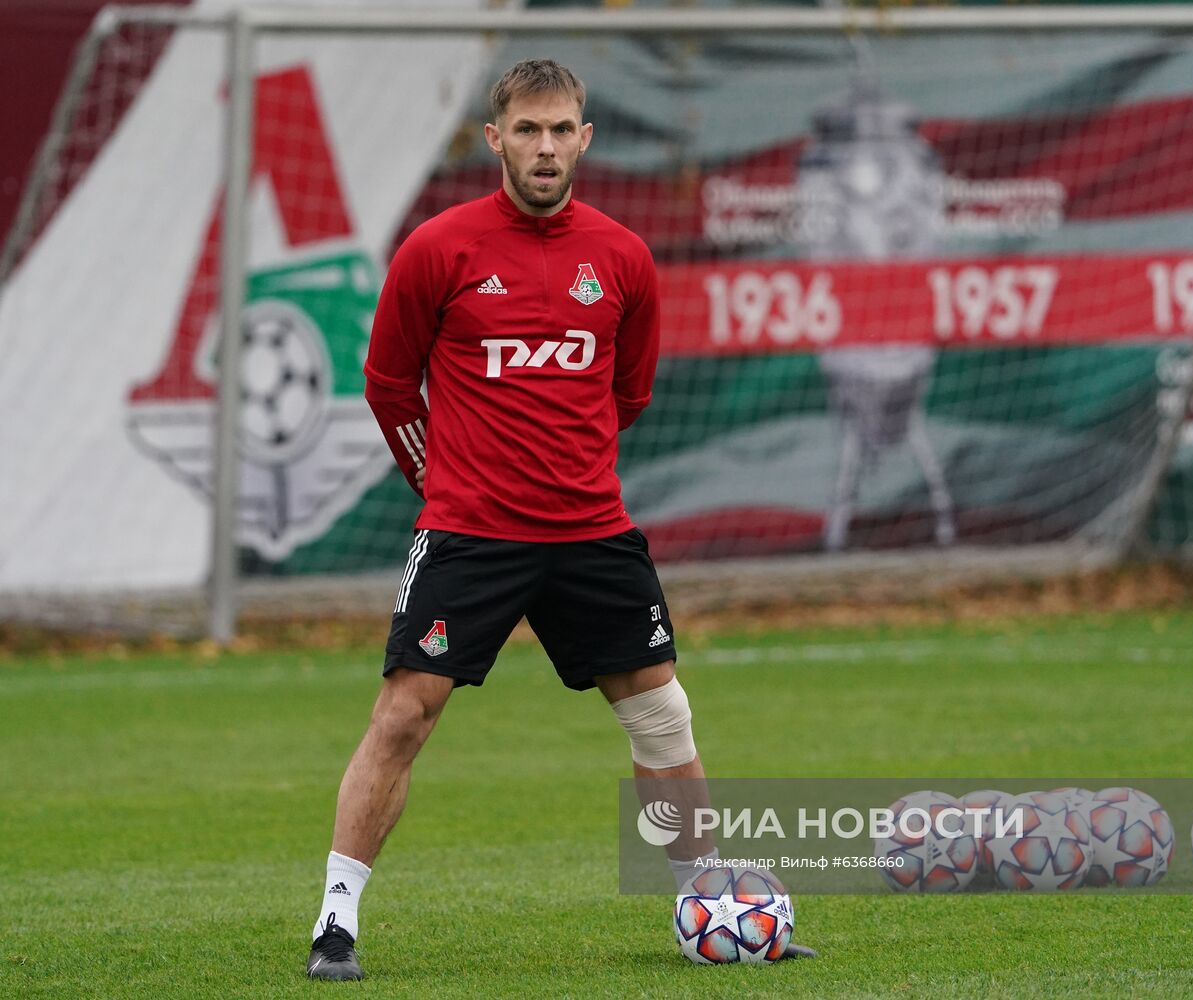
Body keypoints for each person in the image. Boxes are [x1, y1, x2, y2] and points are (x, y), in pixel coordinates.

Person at [303, 59, 813, 981]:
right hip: (469, 532)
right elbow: (388, 386)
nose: (545, 147)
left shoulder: (622, 257)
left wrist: (561, 472)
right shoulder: (437, 249)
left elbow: (627, 395)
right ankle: (335, 922)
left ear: (585, 138)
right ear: (494, 140)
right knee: (405, 714)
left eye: (561, 129)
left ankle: (709, 905)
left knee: (662, 719)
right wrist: (447, 485)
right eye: (527, 130)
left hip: (591, 533)